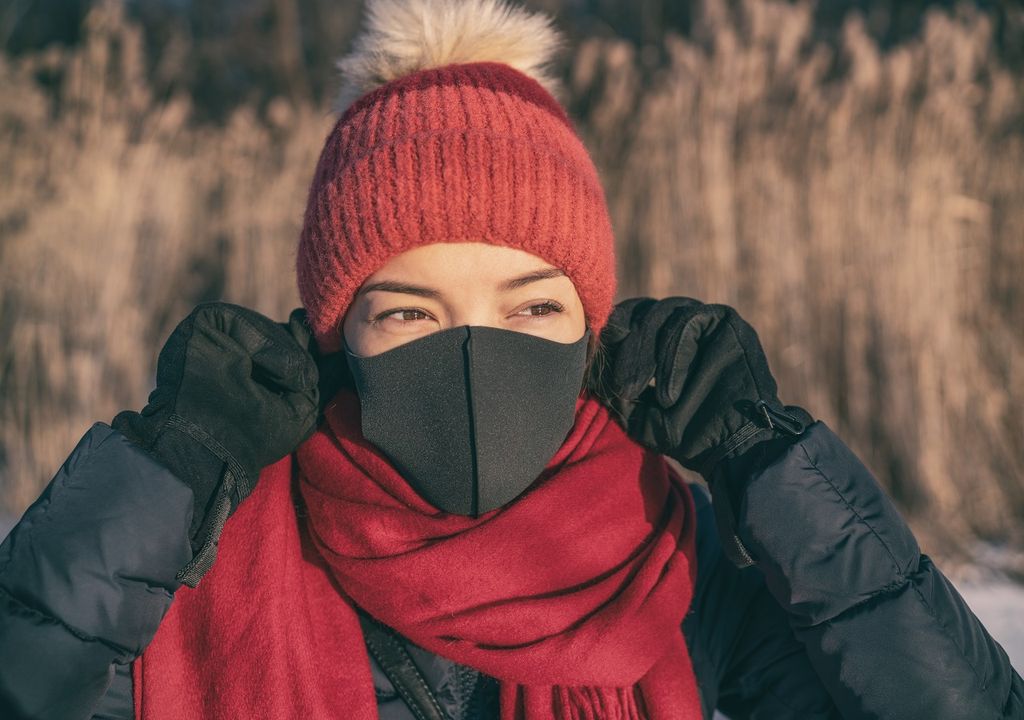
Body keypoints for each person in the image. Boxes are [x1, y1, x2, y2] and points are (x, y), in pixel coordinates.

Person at [1, 1, 1021, 718]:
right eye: (408, 314)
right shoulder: (196, 564)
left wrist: (768, 466)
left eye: (531, 305)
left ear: (593, 332)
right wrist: (161, 471)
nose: (474, 360)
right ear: (330, 339)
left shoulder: (667, 568)